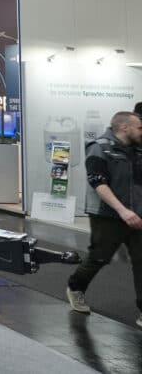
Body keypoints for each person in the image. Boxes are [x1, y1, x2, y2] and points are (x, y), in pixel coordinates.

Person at [66, 111, 142, 329]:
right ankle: (75, 287)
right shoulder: (99, 148)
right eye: (139, 127)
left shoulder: (137, 150)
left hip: (137, 215)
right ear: (125, 127)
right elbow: (98, 184)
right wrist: (122, 211)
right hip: (107, 215)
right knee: (99, 257)